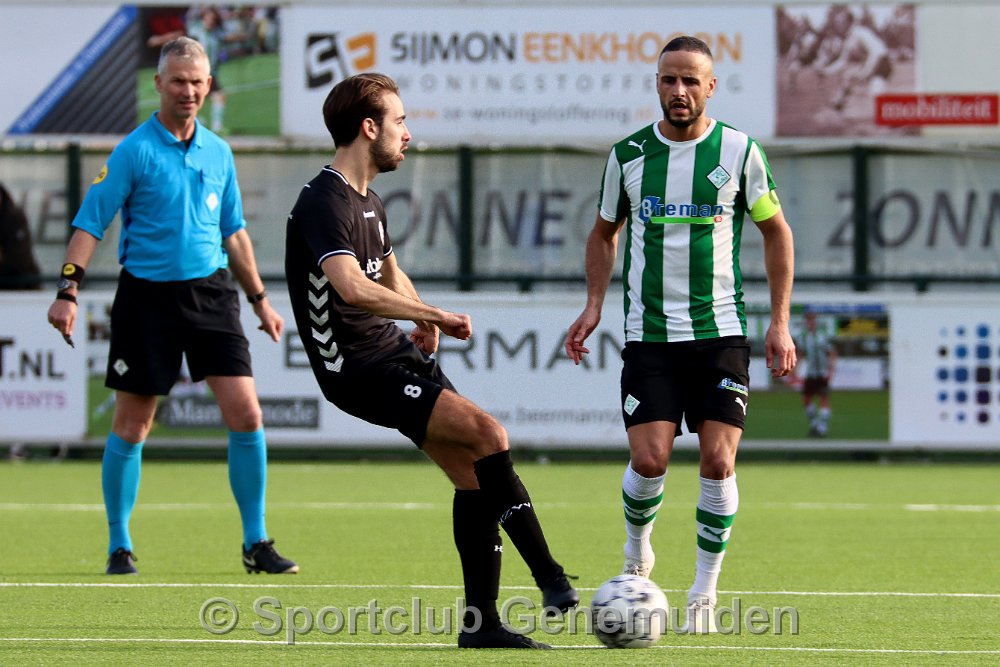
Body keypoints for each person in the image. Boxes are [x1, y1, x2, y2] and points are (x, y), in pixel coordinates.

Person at [283, 72, 578, 649]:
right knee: (489, 434)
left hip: (390, 351)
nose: (408, 133)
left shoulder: (368, 200)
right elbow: (351, 288)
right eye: (399, 121)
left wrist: (422, 318)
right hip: (354, 369)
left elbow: (389, 273)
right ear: (369, 128)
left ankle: (481, 625)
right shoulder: (322, 200)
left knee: (473, 473)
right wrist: (436, 314)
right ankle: (552, 579)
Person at [564, 36, 796, 634]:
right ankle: (636, 551)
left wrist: (779, 321)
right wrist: (593, 305)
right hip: (650, 335)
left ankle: (703, 593)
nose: (679, 91)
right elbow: (604, 233)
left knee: (718, 463)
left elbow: (776, 232)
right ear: (658, 84)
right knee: (650, 459)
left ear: (710, 87)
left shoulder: (740, 151)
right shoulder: (629, 155)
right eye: (669, 79)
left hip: (720, 333)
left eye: (691, 80)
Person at [46, 37, 297, 577]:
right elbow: (90, 223)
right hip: (146, 300)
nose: (188, 90)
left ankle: (256, 541)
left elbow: (235, 233)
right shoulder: (133, 150)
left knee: (247, 414)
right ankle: (119, 544)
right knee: (133, 424)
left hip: (212, 295)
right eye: (178, 81)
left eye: (197, 82)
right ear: (158, 84)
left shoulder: (219, 152)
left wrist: (260, 300)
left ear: (209, 86)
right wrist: (68, 291)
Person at [793, 311, 837, 437]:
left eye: (812, 320)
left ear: (815, 321)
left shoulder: (822, 335)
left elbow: (832, 352)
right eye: (808, 321)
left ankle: (822, 428)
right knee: (806, 399)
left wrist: (831, 369)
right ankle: (814, 424)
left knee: (823, 399)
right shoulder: (803, 337)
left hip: (823, 372)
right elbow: (801, 353)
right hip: (811, 373)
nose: (810, 323)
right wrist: (795, 369)